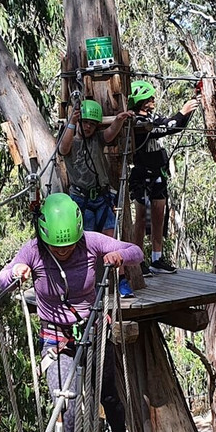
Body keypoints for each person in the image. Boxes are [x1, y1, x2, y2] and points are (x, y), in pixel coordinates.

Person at [0, 193, 143, 432]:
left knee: (108, 395)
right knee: (67, 403)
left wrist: (119, 254)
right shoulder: (33, 251)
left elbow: (136, 251)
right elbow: (2, 281)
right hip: (57, 340)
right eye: (56, 246)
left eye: (68, 245)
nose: (63, 251)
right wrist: (16, 271)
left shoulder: (91, 242)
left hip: (93, 330)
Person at [59, 99, 135, 295]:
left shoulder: (96, 140)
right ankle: (86, 286)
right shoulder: (71, 139)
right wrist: (71, 123)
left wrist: (118, 120)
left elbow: (109, 135)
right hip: (81, 200)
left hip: (101, 198)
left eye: (93, 124)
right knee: (85, 245)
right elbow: (63, 149)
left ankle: (121, 281)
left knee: (111, 241)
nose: (89, 127)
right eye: (86, 122)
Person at [127, 80, 199, 273]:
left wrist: (189, 109)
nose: (153, 100)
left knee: (159, 214)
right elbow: (163, 128)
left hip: (158, 172)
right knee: (141, 217)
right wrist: (182, 112)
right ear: (141, 101)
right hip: (142, 174)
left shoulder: (152, 117)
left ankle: (157, 259)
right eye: (150, 98)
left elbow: (173, 126)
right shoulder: (136, 121)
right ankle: (137, 259)